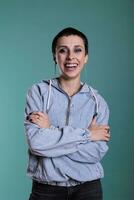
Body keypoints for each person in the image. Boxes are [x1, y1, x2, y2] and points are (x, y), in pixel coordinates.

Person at [24, 27, 110, 200]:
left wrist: (50, 131)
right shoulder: (38, 92)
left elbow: (96, 153)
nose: (71, 57)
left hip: (88, 189)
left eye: (78, 50)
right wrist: (87, 135)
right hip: (46, 190)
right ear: (55, 56)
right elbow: (37, 144)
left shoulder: (98, 102)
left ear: (86, 57)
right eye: (63, 50)